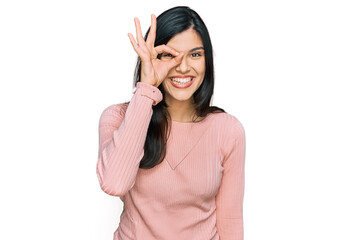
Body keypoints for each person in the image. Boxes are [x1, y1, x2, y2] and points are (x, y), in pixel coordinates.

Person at [96, 6, 246, 240]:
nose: (184, 67)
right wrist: (146, 91)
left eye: (195, 54)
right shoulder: (118, 117)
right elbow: (115, 183)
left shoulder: (227, 130)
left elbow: (230, 221)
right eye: (170, 55)